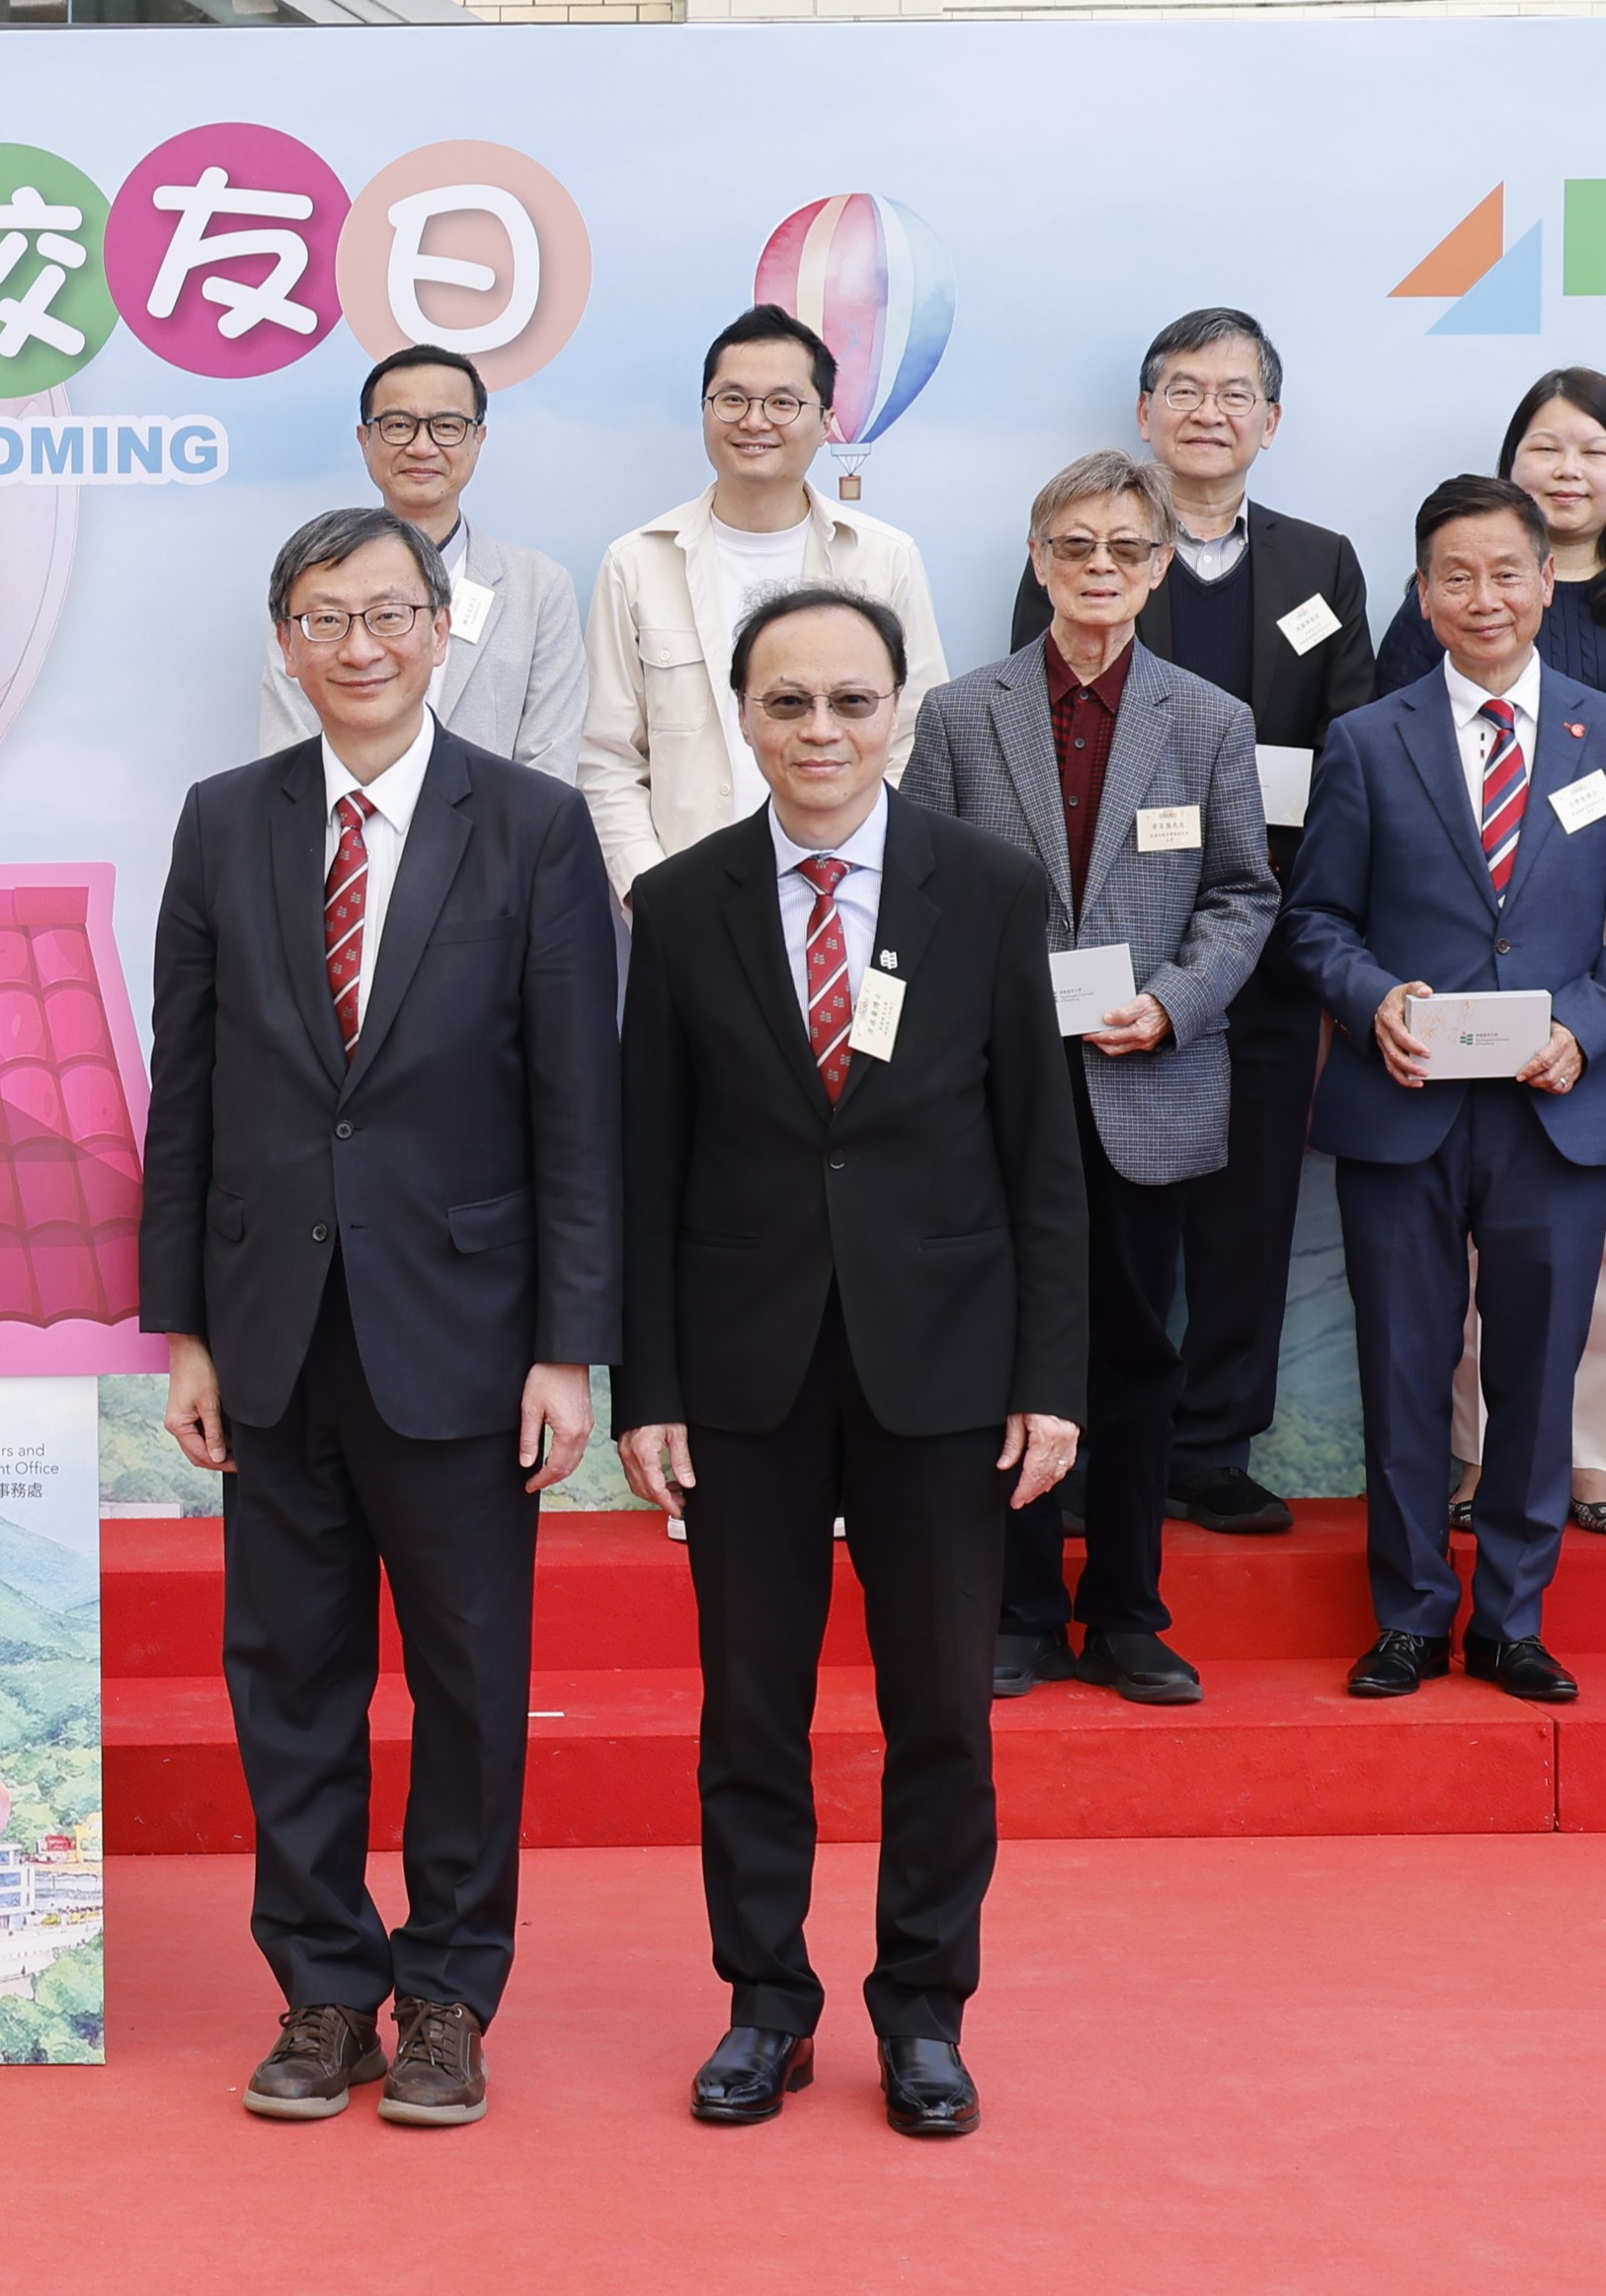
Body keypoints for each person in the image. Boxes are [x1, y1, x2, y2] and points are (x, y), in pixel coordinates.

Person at [142, 510, 616, 2133]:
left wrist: (566, 1345)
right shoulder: (224, 821)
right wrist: (184, 1329)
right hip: (273, 1330)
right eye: (325, 616)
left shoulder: (533, 826)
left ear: (438, 629)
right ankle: (324, 1990)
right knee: (290, 1675)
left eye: (390, 613)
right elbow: (188, 1092)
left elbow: (577, 1104)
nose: (360, 644)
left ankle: (448, 1996)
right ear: (285, 639)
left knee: (471, 1681)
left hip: (467, 1335)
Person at [614, 587, 1082, 2146]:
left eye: (851, 700)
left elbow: (1038, 1155)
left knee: (941, 1707)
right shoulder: (678, 902)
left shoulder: (988, 887)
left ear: (897, 710)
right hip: (741, 1375)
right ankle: (764, 2003)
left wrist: (1050, 1375)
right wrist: (647, 1385)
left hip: (942, 1371)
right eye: (788, 701)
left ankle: (924, 2011)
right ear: (744, 715)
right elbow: (645, 1161)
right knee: (749, 1712)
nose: (821, 730)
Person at [1286, 476, 1606, 1706]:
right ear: (1423, 594)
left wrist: (1582, 1027)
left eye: (1507, 572)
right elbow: (1315, 920)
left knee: (1536, 1374)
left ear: (1545, 583)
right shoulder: (1369, 738)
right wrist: (1374, 1001)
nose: (1484, 597)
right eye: (1456, 576)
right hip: (1402, 1104)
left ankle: (1514, 1619)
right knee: (1403, 1369)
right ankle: (1410, 1616)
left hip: (1553, 1107)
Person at [999, 309, 1374, 1539]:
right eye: (1185, 388)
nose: (1210, 411)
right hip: (1107, 957)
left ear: (1272, 419)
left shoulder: (1322, 564)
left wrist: (1290, 908)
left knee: (1246, 1211)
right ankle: (1080, 1443)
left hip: (1259, 937)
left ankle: (1211, 1443)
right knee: (1097, 1215)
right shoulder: (1088, 547)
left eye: (1236, 391)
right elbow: (1034, 751)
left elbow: (1352, 749)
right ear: (1146, 410)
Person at [909, 453, 1276, 1706]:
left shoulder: (1209, 719)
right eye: (1076, 546)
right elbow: (920, 899)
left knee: (1134, 1353)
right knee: (1001, 1351)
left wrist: (1171, 1002)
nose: (1100, 568)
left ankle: (1124, 1609)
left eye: (1126, 548)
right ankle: (1015, 1610)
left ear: (1161, 565)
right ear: (1038, 557)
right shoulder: (961, 714)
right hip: (995, 1092)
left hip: (1143, 1079)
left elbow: (1243, 893)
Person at [1376, 369, 1606, 1539]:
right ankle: (1483, 1448)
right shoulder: (1446, 598)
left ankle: (1590, 1452)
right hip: (1468, 953)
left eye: (1595, 447)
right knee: (1466, 1214)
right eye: (1546, 445)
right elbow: (1389, 756)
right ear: (1512, 460)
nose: (1569, 467)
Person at [580, 307, 945, 898]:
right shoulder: (636, 563)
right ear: (705, 411)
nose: (754, 421)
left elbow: (915, 740)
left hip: (849, 893)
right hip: (687, 899)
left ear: (826, 422)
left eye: (782, 402)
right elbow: (608, 758)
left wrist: (865, 875)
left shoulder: (885, 559)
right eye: (732, 400)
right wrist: (652, 896)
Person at [251, 346, 590, 780]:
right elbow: (289, 759)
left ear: (478, 439)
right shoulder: (312, 582)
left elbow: (549, 767)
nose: (422, 446)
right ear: (365, 440)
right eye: (398, 425)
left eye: (447, 426)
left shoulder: (539, 588)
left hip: (501, 827)